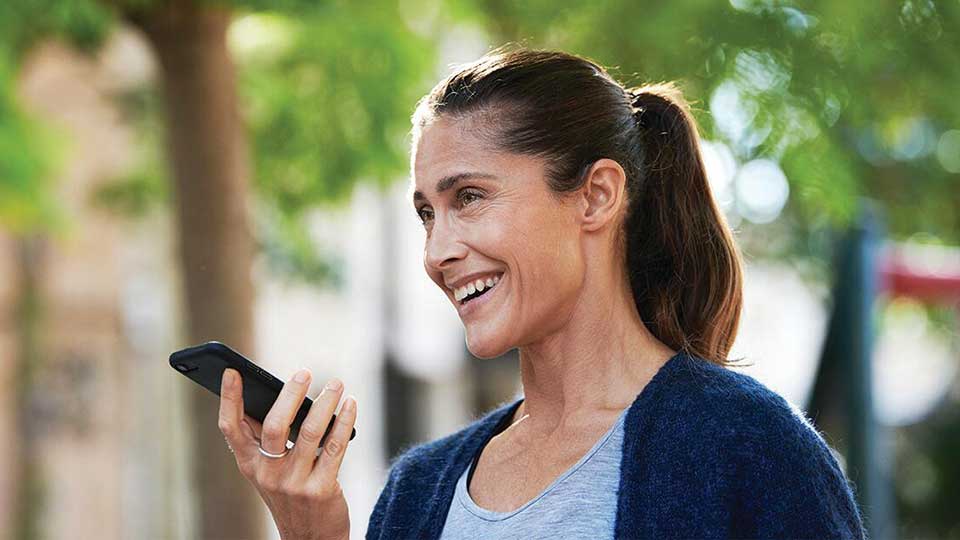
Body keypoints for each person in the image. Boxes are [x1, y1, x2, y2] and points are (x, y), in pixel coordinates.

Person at [219, 46, 867, 540]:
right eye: (426, 213)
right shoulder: (417, 492)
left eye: (468, 198)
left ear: (596, 195)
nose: (437, 250)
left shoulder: (748, 446)